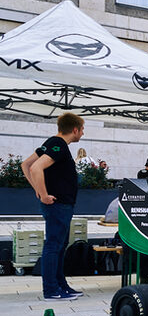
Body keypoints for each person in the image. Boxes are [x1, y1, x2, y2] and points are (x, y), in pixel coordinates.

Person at [21, 113, 86, 300]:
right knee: (53, 245)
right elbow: (34, 168)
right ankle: (51, 289)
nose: (82, 133)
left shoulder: (53, 143)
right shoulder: (58, 145)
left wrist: (37, 189)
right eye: (81, 129)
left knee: (59, 245)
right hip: (58, 204)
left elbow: (25, 164)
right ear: (74, 129)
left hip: (61, 204)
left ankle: (60, 285)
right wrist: (42, 194)